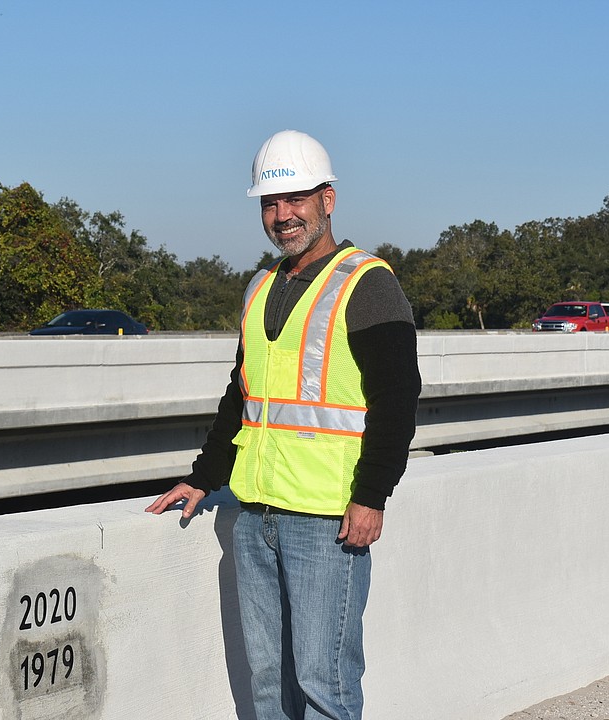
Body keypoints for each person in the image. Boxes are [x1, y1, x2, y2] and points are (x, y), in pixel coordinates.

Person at [146, 129, 421, 720]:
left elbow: (398, 403)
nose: (282, 215)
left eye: (295, 198)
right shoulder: (261, 286)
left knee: (326, 685)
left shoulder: (366, 283)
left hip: (328, 521)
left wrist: (371, 496)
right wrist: (204, 475)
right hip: (256, 515)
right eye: (270, 203)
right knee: (270, 684)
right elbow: (242, 396)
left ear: (328, 198)